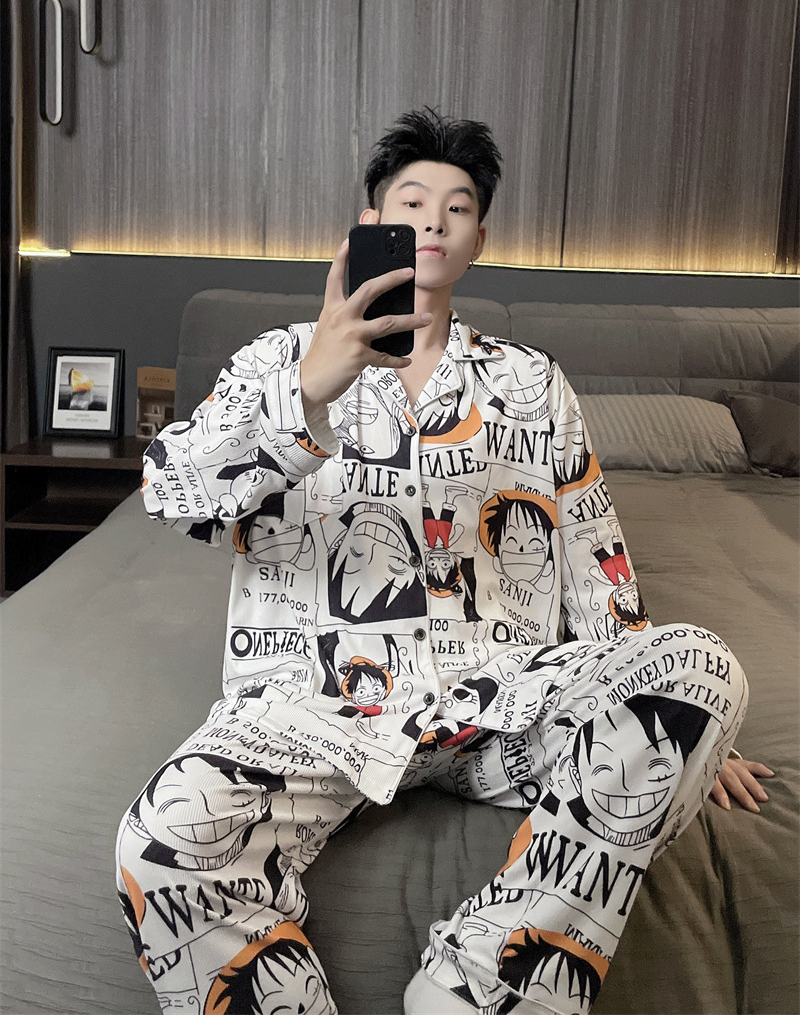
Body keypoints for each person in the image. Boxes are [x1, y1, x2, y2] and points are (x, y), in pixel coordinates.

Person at [116, 107, 773, 1015]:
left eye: (457, 207)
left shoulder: (534, 382)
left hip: (504, 700)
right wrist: (308, 389)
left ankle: (476, 990)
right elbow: (170, 491)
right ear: (370, 224)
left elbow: (594, 552)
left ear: (478, 240)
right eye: (412, 203)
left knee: (704, 670)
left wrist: (680, 730)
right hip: (318, 706)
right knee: (161, 840)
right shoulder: (276, 362)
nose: (433, 221)